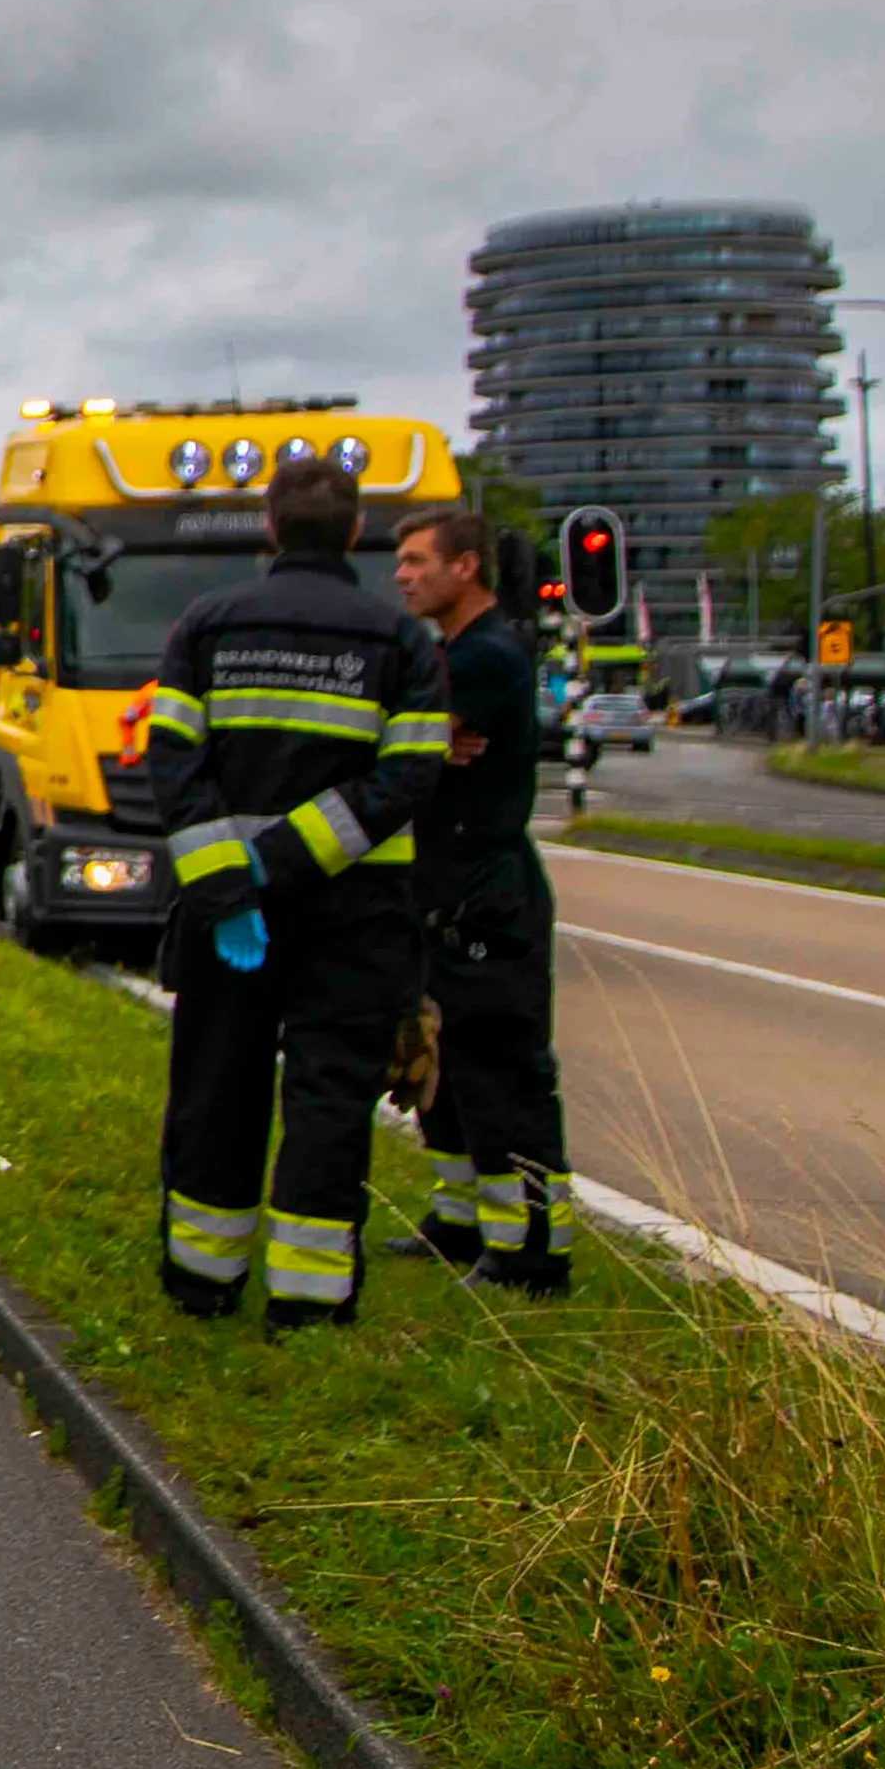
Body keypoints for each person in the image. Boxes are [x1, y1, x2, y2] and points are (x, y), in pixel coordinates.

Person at [139, 455, 451, 1332]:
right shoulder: (403, 641)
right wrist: (288, 858)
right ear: (355, 532)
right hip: (354, 918)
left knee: (215, 1088)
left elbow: (173, 763)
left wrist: (232, 879)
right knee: (328, 1098)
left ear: (271, 527)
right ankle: (309, 1304)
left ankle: (201, 1281)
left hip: (227, 917)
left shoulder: (205, 626)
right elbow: (408, 779)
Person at [389, 507, 571, 1294]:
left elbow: (398, 744)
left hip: (486, 895)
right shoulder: (451, 652)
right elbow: (409, 739)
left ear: (466, 567)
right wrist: (417, 737)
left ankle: (533, 1256)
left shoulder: (489, 655)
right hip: (446, 886)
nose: (402, 575)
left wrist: (410, 738)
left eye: (417, 560)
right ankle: (461, 1221)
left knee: (502, 1076)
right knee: (446, 1073)